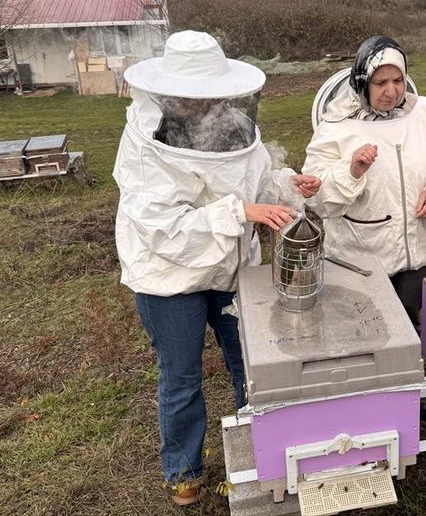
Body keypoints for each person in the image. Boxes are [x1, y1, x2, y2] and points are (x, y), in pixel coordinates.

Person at [113, 30, 321, 506]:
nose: (206, 104)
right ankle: (184, 472)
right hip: (170, 277)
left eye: (212, 96)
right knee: (182, 375)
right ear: (172, 90)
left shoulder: (233, 124)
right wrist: (240, 213)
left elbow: (258, 176)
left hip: (231, 267)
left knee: (251, 364)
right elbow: (161, 226)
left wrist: (290, 185)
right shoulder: (145, 142)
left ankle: (265, 453)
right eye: (196, 96)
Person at [303, 36, 426, 331]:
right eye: (380, 82)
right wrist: (352, 172)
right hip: (361, 258)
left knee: (408, 326)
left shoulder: (424, 112)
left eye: (398, 80)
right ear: (362, 81)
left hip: (415, 251)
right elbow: (315, 196)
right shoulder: (337, 125)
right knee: (364, 332)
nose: (391, 91)